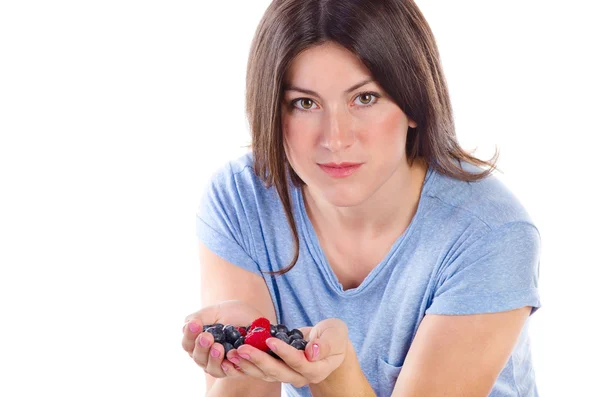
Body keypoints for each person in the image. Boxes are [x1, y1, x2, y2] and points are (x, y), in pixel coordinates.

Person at [181, 0, 542, 396]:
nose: (335, 139)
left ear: (414, 104)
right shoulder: (240, 201)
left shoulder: (490, 233)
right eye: (305, 103)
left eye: (365, 98)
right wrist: (240, 361)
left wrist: (333, 374)